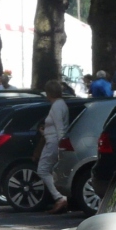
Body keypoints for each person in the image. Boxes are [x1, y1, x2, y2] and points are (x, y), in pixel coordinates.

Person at [38, 79, 69, 214]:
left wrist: (61, 144)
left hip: (53, 142)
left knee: (43, 169)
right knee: (53, 170)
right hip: (53, 140)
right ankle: (62, 196)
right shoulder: (61, 104)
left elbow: (59, 128)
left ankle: (59, 197)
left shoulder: (57, 106)